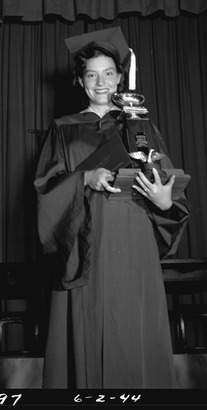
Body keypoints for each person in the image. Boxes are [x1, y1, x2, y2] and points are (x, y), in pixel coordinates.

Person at [34, 27, 190, 389]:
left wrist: (167, 202)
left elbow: (167, 188)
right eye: (91, 74)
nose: (100, 82)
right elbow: (44, 190)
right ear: (79, 80)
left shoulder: (140, 125)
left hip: (135, 243)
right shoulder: (63, 129)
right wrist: (83, 180)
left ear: (121, 77)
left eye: (108, 73)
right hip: (86, 246)